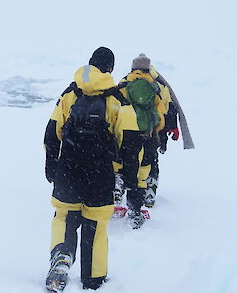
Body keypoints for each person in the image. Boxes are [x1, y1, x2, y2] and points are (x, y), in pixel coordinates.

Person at [43, 47, 142, 291]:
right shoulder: (117, 99)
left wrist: (52, 166)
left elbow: (51, 133)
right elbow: (131, 143)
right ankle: (94, 279)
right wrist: (129, 177)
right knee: (96, 224)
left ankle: (62, 257)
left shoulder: (70, 94)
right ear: (110, 68)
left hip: (69, 169)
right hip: (100, 173)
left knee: (65, 217)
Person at [118, 53, 194, 209]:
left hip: (128, 132)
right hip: (152, 131)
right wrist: (169, 130)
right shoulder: (158, 85)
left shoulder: (125, 82)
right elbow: (168, 108)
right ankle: (149, 194)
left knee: (127, 161)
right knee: (151, 162)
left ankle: (123, 188)